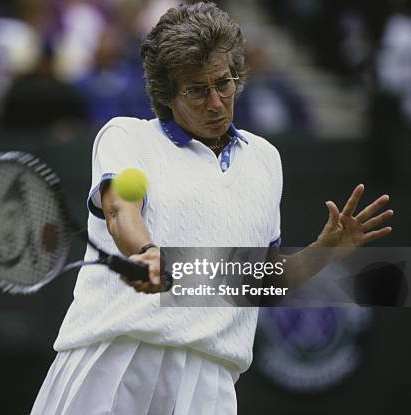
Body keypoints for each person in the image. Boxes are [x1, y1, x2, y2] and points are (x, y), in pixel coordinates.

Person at [30, 3, 394, 414]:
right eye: (198, 91)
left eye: (224, 84)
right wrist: (146, 252)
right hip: (117, 360)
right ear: (167, 94)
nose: (217, 102)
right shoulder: (126, 135)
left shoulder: (266, 159)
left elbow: (260, 282)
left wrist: (322, 252)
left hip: (211, 380)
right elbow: (120, 212)